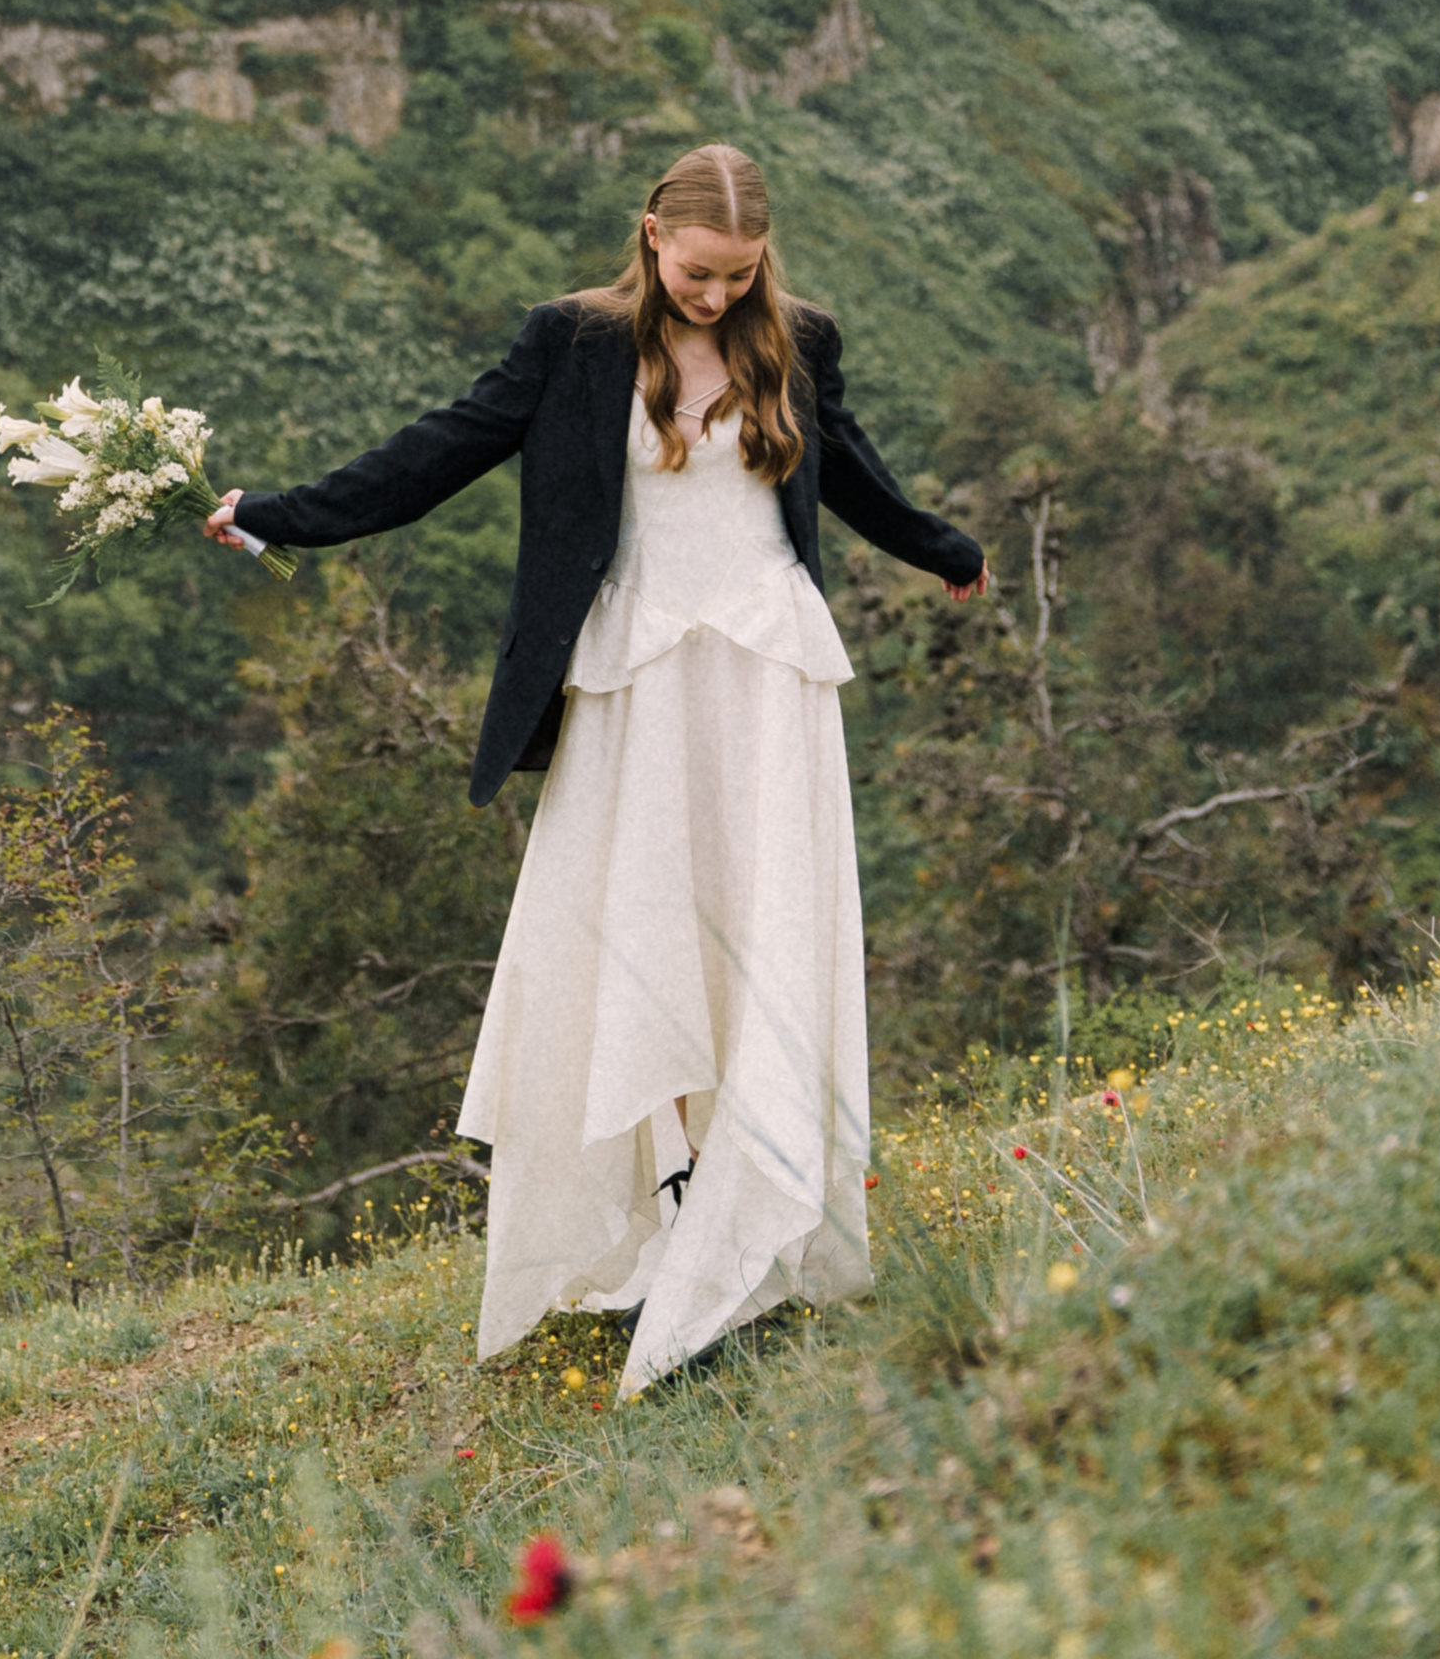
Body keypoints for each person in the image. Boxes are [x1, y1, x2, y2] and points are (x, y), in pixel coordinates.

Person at [205, 138, 989, 1396]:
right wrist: (280, 515)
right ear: (649, 237)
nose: (715, 298)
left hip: (766, 675)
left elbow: (845, 470)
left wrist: (937, 545)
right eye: (696, 272)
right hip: (635, 679)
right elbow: (441, 449)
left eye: (738, 277)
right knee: (641, 935)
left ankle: (753, 1220)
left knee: (763, 928)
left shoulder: (799, 338)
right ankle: (679, 1215)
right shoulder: (569, 344)